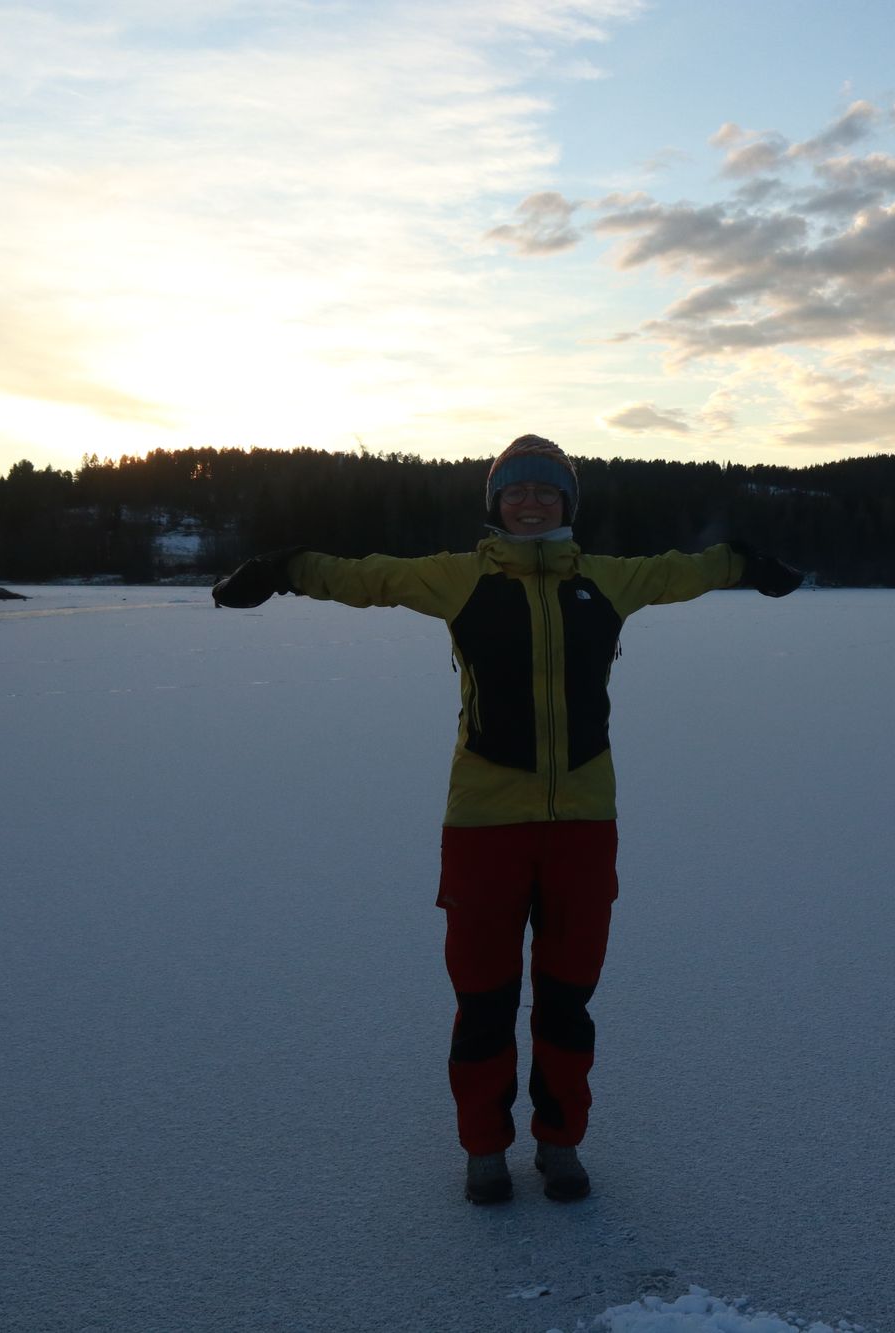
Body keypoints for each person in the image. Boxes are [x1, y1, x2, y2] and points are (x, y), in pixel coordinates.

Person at [211, 434, 802, 1204]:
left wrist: (748, 563)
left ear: (567, 503)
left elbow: (686, 570)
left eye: (546, 490)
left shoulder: (607, 581)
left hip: (584, 825)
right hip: (485, 825)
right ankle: (484, 1148)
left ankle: (561, 1142)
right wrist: (285, 568)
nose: (530, 502)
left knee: (566, 998)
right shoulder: (461, 579)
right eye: (515, 491)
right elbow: (370, 578)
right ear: (496, 505)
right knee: (484, 998)